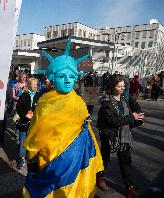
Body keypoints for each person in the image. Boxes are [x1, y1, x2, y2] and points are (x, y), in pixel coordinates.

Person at [23, 37, 104, 197]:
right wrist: (32, 154)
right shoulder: (45, 102)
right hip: (52, 161)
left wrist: (94, 153)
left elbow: (86, 129)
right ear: (52, 79)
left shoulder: (78, 101)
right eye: (61, 76)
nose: (67, 80)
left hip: (78, 159)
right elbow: (37, 132)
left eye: (71, 76)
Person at [96, 74, 145, 198]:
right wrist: (131, 117)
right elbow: (114, 122)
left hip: (124, 134)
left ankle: (129, 186)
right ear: (112, 87)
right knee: (105, 159)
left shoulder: (124, 97)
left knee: (126, 161)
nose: (122, 88)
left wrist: (138, 116)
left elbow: (134, 106)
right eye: (119, 86)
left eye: (123, 86)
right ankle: (100, 177)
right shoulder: (106, 102)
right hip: (109, 134)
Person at [16, 78, 41, 169]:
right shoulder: (24, 95)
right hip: (24, 122)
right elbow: (18, 108)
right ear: (29, 85)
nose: (35, 86)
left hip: (35, 123)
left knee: (33, 141)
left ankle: (31, 157)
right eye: (33, 84)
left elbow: (42, 108)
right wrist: (25, 115)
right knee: (23, 140)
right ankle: (21, 159)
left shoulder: (39, 95)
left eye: (36, 84)